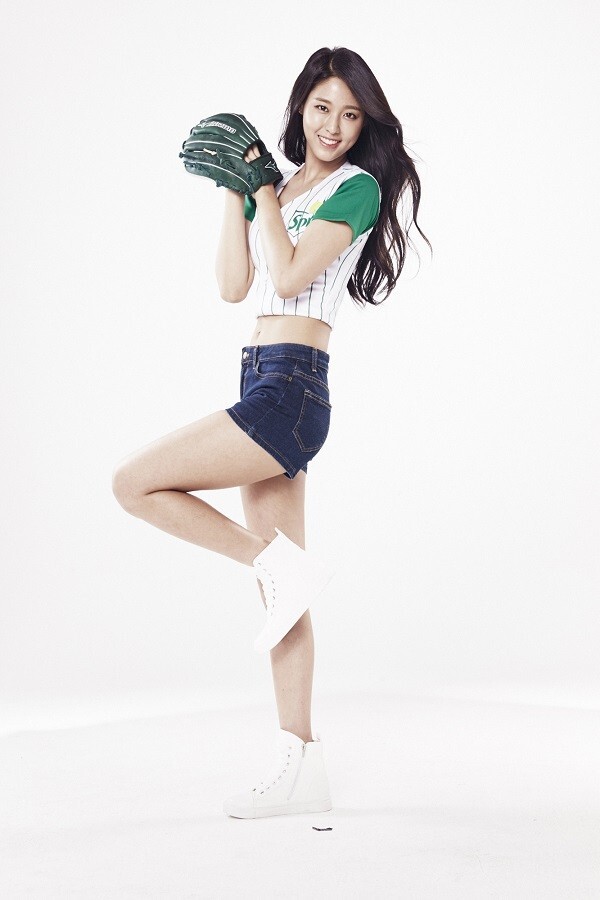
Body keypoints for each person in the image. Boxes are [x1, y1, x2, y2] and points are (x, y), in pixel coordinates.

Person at [112, 46, 431, 820]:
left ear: (365, 126)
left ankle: (277, 567)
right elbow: (235, 286)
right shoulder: (282, 188)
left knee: (134, 484)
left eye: (350, 115)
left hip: (293, 385)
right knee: (282, 591)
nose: (334, 126)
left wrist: (259, 187)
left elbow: (288, 278)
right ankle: (302, 764)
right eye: (322, 108)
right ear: (300, 108)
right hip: (258, 374)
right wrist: (238, 189)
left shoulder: (356, 189)